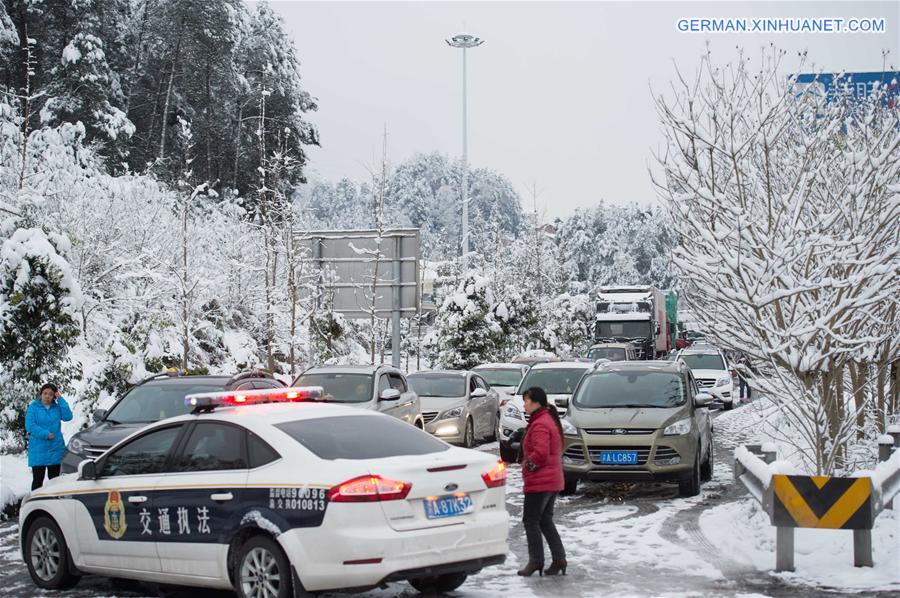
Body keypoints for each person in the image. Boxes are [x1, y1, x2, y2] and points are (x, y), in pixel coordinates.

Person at [517, 387, 567, 577]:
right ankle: (559, 559)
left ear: (536, 402)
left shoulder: (540, 424)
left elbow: (540, 453)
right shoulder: (545, 419)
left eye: (526, 400)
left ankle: (536, 561)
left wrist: (527, 466)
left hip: (541, 481)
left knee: (530, 521)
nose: (524, 404)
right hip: (552, 479)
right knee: (545, 521)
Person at [25, 383, 73, 491]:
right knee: (38, 481)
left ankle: (54, 504)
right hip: (38, 449)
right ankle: (36, 504)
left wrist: (60, 399)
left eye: (51, 394)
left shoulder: (57, 407)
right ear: (41, 394)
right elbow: (30, 426)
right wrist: (45, 434)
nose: (47, 396)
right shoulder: (33, 407)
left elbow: (68, 416)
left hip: (55, 449)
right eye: (45, 393)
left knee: (55, 482)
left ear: (54, 396)